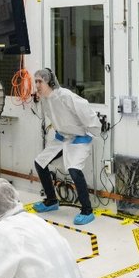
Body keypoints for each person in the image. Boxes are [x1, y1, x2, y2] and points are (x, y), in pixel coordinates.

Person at [31, 68, 98, 226]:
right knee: (40, 162)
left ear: (50, 82)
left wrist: (91, 132)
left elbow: (85, 109)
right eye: (36, 81)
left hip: (79, 137)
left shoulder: (65, 96)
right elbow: (47, 116)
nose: (37, 84)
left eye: (40, 81)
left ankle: (87, 211)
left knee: (74, 170)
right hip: (62, 137)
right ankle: (52, 201)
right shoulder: (45, 99)